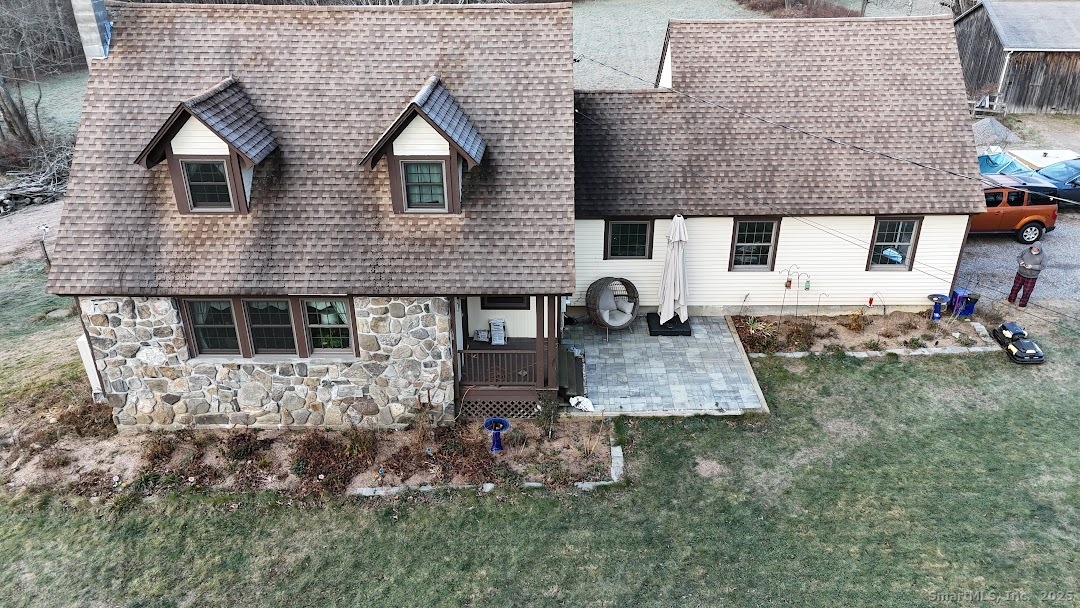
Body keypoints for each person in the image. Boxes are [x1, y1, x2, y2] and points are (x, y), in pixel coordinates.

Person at [1008, 241, 1046, 308]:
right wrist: (1021, 262)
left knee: (1027, 291)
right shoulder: (1026, 251)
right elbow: (1019, 257)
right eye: (1033, 247)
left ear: (1039, 249)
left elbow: (1042, 266)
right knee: (1015, 288)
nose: (1034, 249)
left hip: (1031, 277)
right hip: (1020, 274)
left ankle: (1022, 305)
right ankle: (1010, 300)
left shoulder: (1043, 256)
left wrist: (1032, 267)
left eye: (1036, 248)